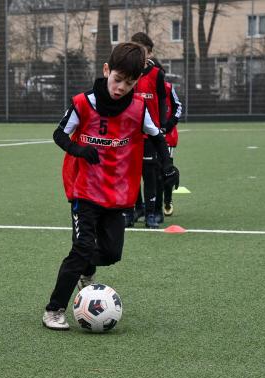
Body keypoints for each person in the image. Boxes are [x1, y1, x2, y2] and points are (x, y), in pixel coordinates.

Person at [42, 43, 179, 330]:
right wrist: (78, 150)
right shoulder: (84, 103)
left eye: (129, 84)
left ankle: (85, 269)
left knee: (112, 253)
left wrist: (168, 167)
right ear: (106, 71)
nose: (120, 88)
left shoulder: (138, 109)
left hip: (118, 194)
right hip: (85, 190)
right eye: (117, 80)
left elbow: (156, 137)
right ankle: (54, 309)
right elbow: (59, 134)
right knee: (81, 248)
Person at [128, 32, 168, 229]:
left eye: (142, 50)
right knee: (131, 172)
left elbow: (162, 99)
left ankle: (152, 213)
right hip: (130, 133)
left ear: (149, 53)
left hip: (150, 133)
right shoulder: (127, 73)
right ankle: (136, 209)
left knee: (150, 173)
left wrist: (162, 124)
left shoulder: (157, 74)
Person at [162, 81, 183, 216]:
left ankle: (168, 200)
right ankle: (143, 205)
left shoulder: (168, 87)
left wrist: (168, 126)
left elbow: (178, 107)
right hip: (146, 136)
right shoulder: (137, 85)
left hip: (167, 136)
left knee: (166, 169)